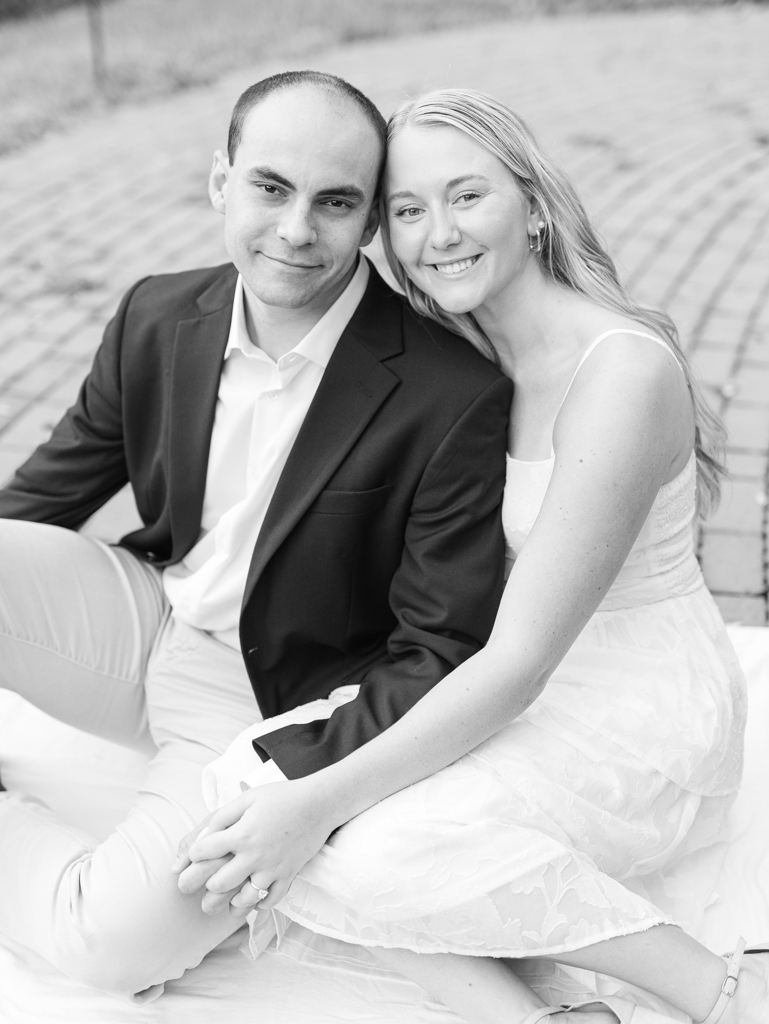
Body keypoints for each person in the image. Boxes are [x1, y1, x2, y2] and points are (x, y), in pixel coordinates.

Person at [175, 90, 769, 1024]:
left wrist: (319, 803)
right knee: (244, 792)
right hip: (496, 668)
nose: (436, 234)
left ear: (532, 206)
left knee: (353, 842)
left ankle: (720, 988)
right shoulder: (455, 351)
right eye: (407, 210)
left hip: (630, 699)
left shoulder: (619, 372)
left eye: (466, 197)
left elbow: (522, 662)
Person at [0, 74, 513, 1001]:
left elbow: (437, 646)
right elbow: (47, 491)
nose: (293, 230)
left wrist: (302, 789)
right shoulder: (156, 313)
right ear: (220, 185)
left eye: (335, 203)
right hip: (144, 611)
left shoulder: (450, 392)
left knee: (114, 947)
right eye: (269, 188)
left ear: (367, 224)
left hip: (269, 697)